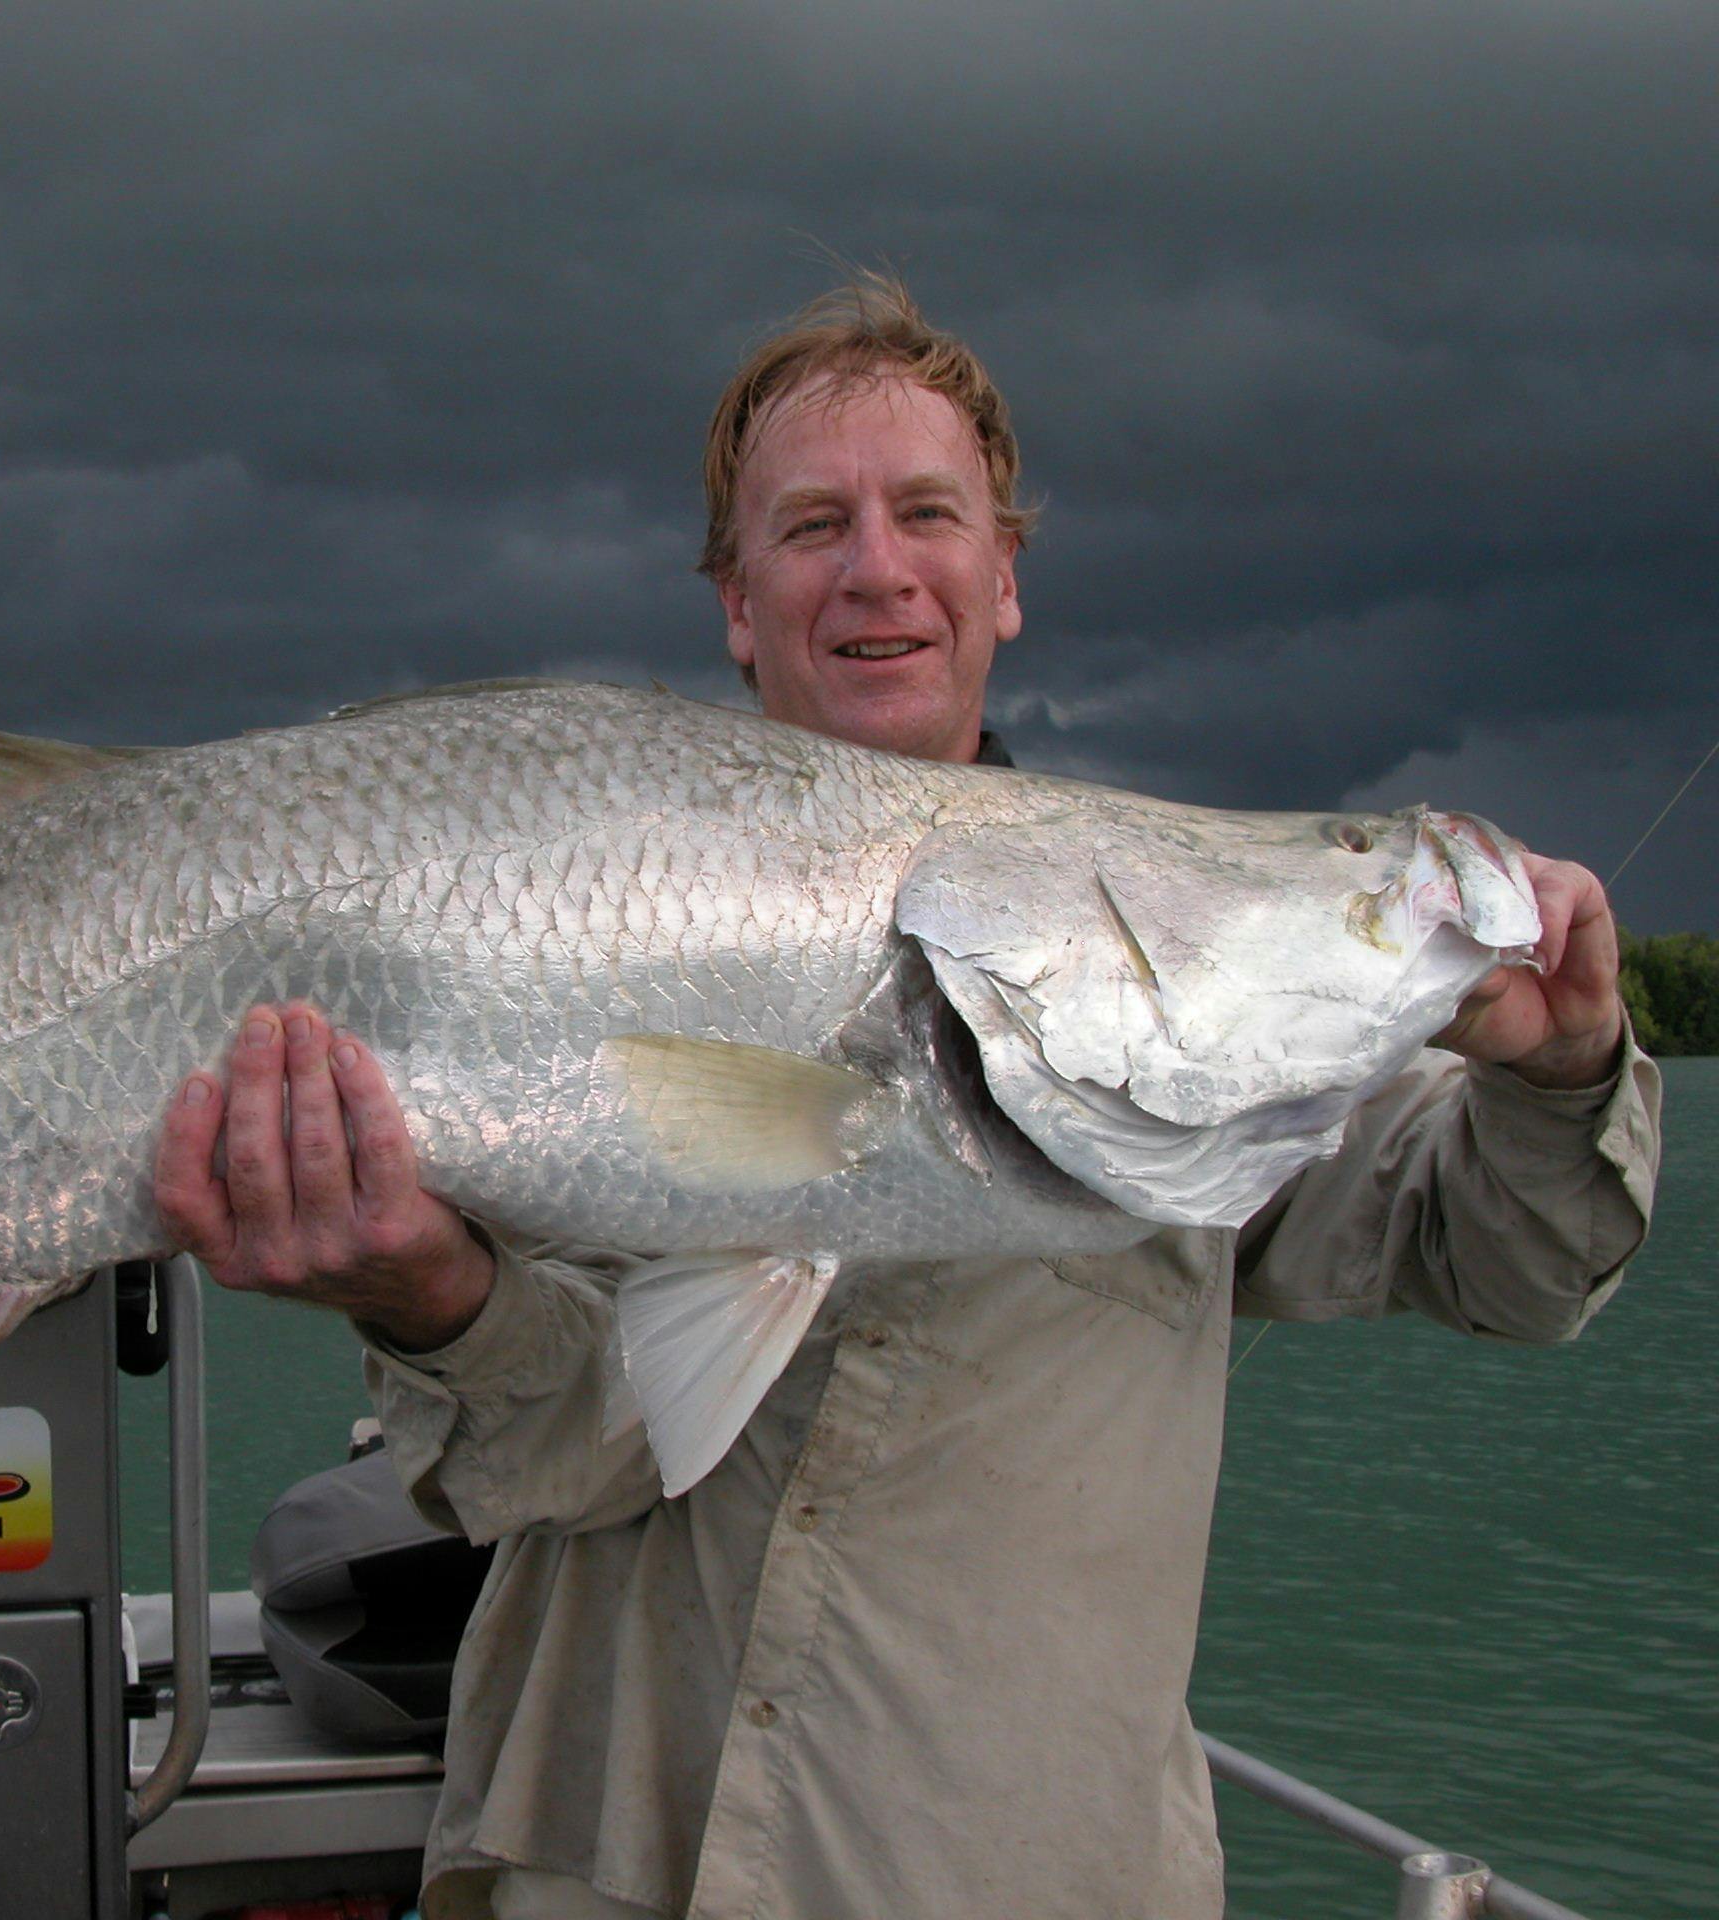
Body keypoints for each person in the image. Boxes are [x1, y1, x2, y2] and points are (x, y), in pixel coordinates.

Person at [150, 278, 1665, 1920]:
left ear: (1002, 576)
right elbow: (569, 1456)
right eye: (813, 526)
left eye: (927, 513)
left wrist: (1565, 1067)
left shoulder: (1196, 1012)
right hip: (603, 1863)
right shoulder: (560, 928)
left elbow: (1522, 1268)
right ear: (738, 602)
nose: (878, 566)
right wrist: (428, 1295)